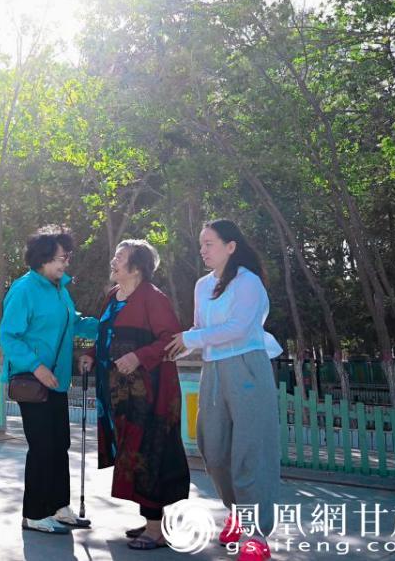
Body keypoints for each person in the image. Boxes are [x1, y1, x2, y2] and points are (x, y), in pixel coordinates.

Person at [165, 220, 283, 561]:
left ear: (231, 246)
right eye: (201, 244)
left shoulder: (249, 283)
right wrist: (178, 345)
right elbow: (202, 329)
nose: (202, 250)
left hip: (247, 367)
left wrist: (192, 339)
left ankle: (256, 535)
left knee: (250, 451)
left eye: (209, 243)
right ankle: (237, 511)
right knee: (213, 449)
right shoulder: (202, 285)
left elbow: (239, 328)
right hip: (213, 369)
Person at [78, 240, 190, 550]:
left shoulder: (154, 299)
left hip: (150, 393)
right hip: (119, 395)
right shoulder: (113, 296)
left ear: (137, 267)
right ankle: (149, 521)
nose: (113, 260)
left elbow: (171, 340)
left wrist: (139, 356)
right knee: (134, 451)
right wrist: (89, 354)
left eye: (120, 257)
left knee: (151, 450)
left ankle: (156, 530)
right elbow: (100, 333)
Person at [0, 226, 99, 534]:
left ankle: (58, 507)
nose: (66, 263)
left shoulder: (60, 289)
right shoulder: (24, 289)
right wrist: (36, 366)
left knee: (59, 444)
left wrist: (103, 325)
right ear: (42, 259)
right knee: (42, 446)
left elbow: (72, 321)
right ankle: (34, 513)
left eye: (67, 256)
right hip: (33, 381)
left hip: (56, 382)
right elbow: (9, 336)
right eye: (61, 258)